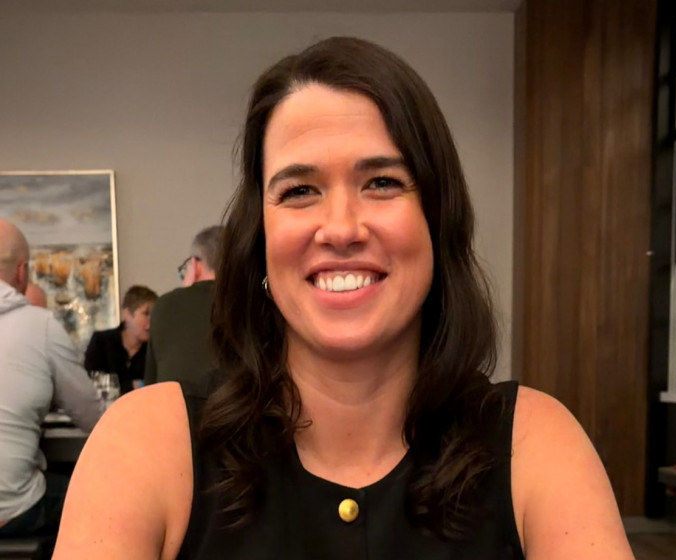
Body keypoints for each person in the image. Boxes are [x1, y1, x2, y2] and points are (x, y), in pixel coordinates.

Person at [53, 37, 635, 559]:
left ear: (438, 221)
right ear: (259, 240)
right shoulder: (147, 444)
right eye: (299, 190)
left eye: (382, 182)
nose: (340, 228)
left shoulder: (533, 442)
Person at [0, 220, 101, 545]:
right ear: (22, 271)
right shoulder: (40, 326)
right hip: (13, 509)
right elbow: (93, 417)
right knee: (106, 493)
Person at [143, 225, 222, 395]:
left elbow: (150, 388)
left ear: (195, 265)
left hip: (174, 410)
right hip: (239, 410)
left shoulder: (165, 305)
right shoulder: (252, 303)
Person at [83, 285, 158, 396]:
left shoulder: (156, 349)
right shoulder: (101, 342)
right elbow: (89, 385)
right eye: (146, 314)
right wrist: (131, 386)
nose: (151, 320)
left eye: (154, 314)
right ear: (127, 314)